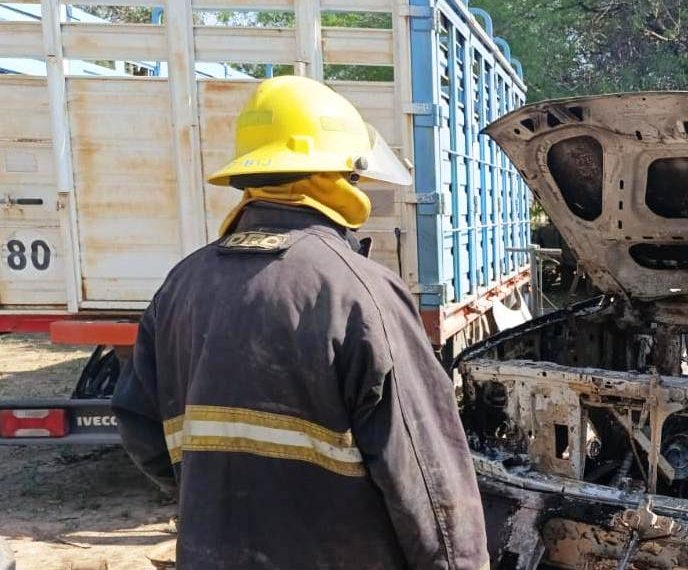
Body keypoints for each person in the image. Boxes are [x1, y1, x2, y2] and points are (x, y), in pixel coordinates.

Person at [111, 75, 489, 569]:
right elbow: (428, 477)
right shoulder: (359, 290)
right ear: (340, 176)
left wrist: (217, 508)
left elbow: (140, 425)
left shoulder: (181, 285)